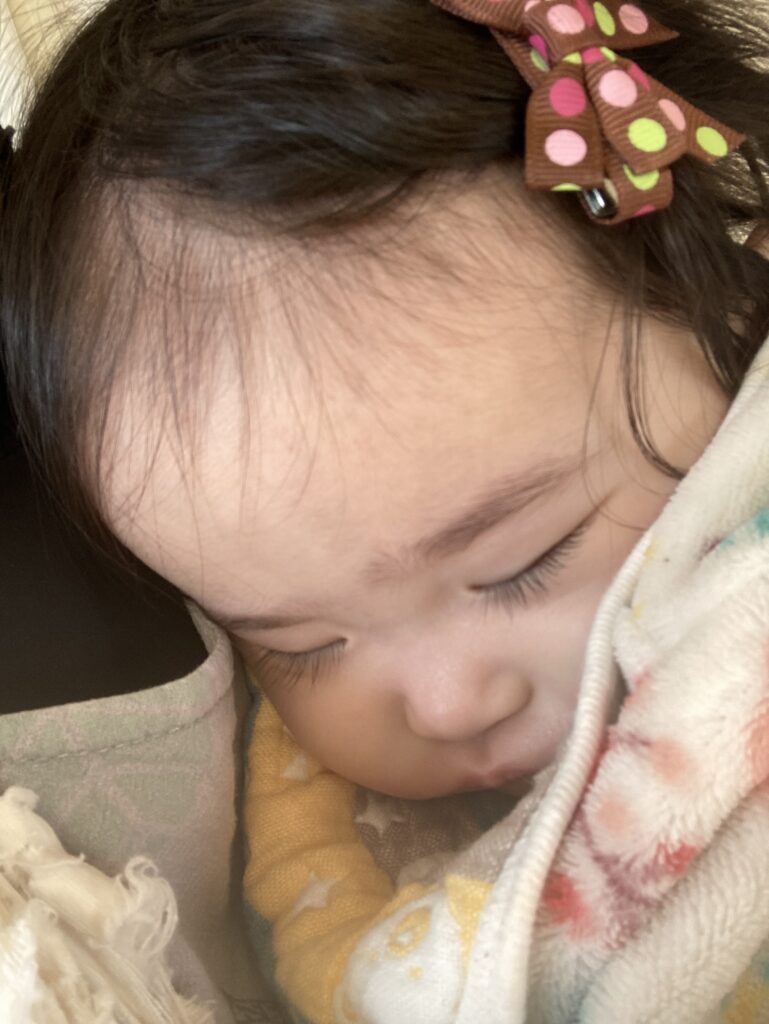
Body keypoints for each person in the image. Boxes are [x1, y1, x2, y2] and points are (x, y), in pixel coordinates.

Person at [2, 0, 769, 1021]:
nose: (447, 707)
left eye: (523, 562)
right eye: (302, 646)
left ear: (729, 309)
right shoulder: (291, 839)